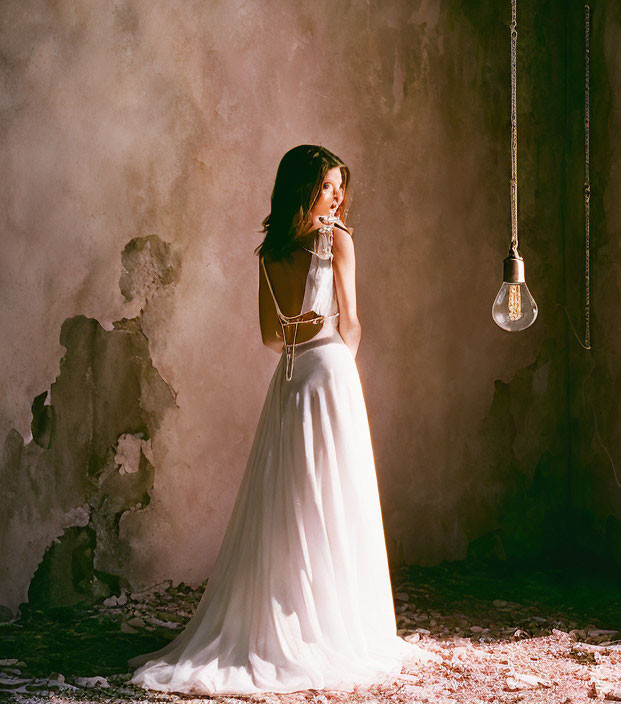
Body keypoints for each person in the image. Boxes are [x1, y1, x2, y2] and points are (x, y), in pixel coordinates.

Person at [126, 145, 438, 695]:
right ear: (305, 190)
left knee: (291, 498)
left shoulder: (269, 254)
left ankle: (285, 617)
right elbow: (354, 325)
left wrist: (300, 332)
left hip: (290, 382)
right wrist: (337, 360)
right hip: (331, 374)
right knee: (332, 497)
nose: (338, 197)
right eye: (328, 187)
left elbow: (272, 339)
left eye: (341, 186)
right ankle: (331, 623)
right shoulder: (337, 241)